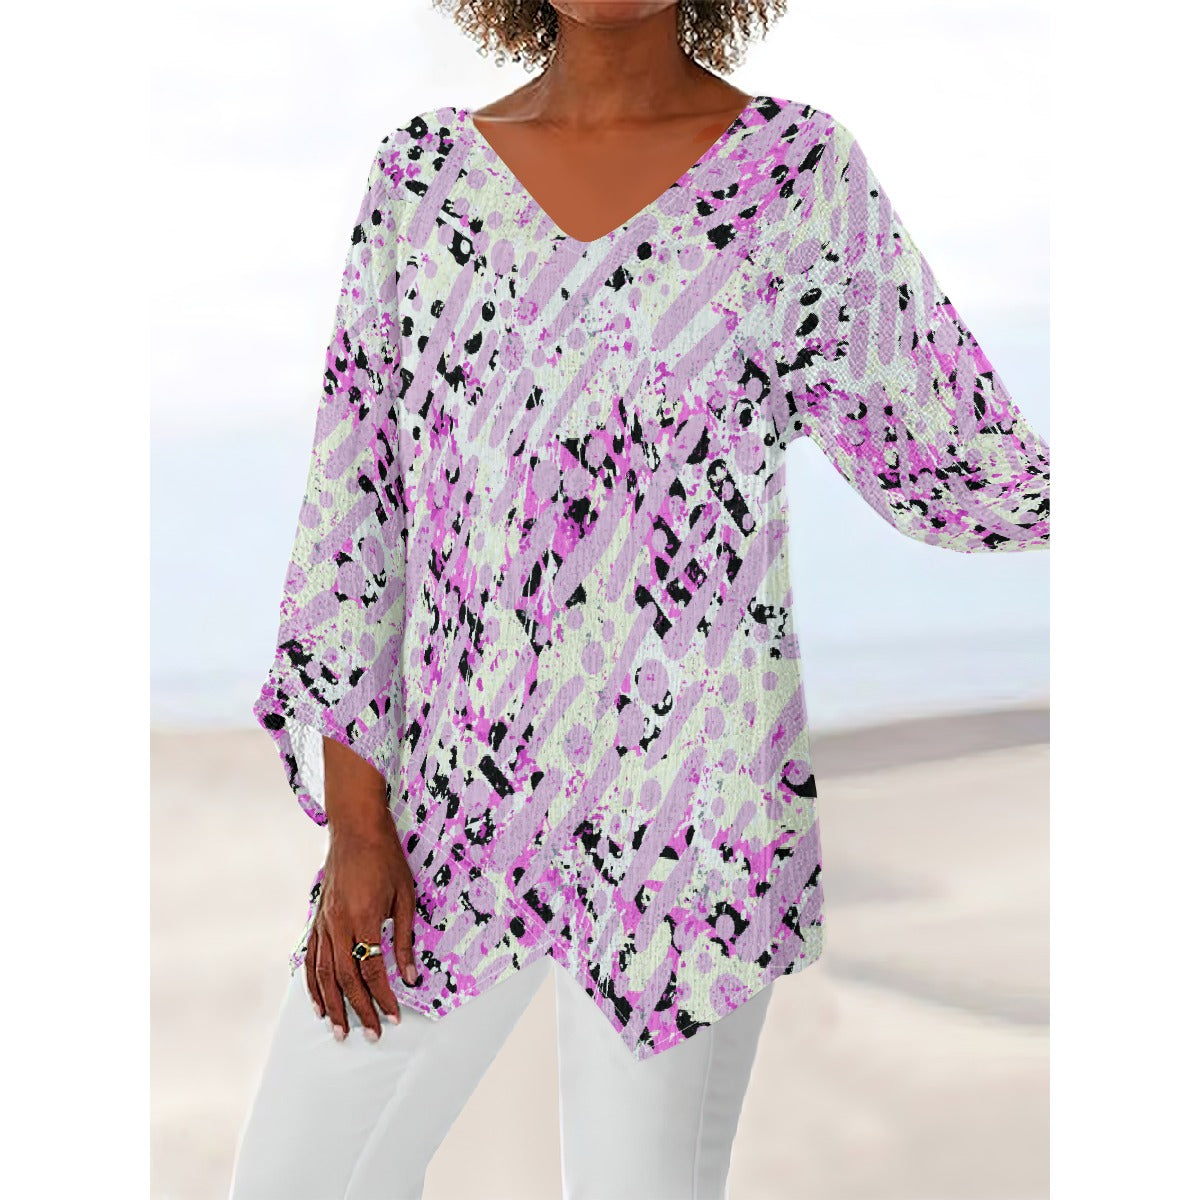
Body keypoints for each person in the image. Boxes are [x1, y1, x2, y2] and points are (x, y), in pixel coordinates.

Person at [227, 2, 1051, 1197]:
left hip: (691, 817)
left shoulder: (797, 179)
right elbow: (360, 514)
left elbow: (950, 452)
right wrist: (359, 828)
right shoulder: (422, 182)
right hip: (448, 811)